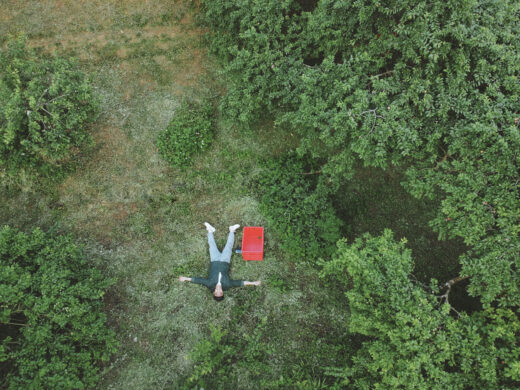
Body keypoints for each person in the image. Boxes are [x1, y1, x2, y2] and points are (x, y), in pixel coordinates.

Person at [178, 223, 261, 301]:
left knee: (212, 246)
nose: (218, 291)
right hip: (225, 261)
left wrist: (186, 278)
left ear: (214, 292)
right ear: (222, 292)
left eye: (216, 293)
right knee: (228, 246)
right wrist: (253, 283)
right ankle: (232, 231)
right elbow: (240, 283)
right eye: (220, 293)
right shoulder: (227, 284)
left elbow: (199, 280)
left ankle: (210, 231)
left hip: (214, 260)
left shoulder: (210, 284)